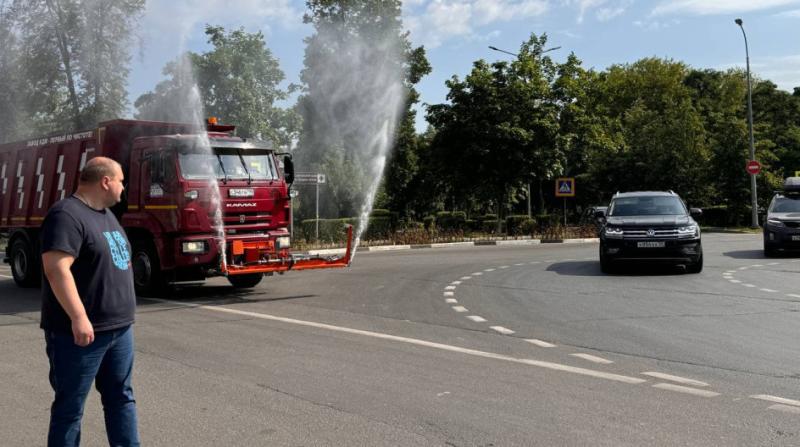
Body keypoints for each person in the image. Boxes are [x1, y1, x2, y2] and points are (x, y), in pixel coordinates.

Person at [40, 156, 140, 446]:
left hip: (119, 329)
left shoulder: (106, 215)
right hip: (80, 335)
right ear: (105, 181)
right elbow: (56, 268)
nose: (124, 187)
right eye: (121, 180)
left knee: (121, 399)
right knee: (70, 408)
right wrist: (78, 317)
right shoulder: (66, 215)